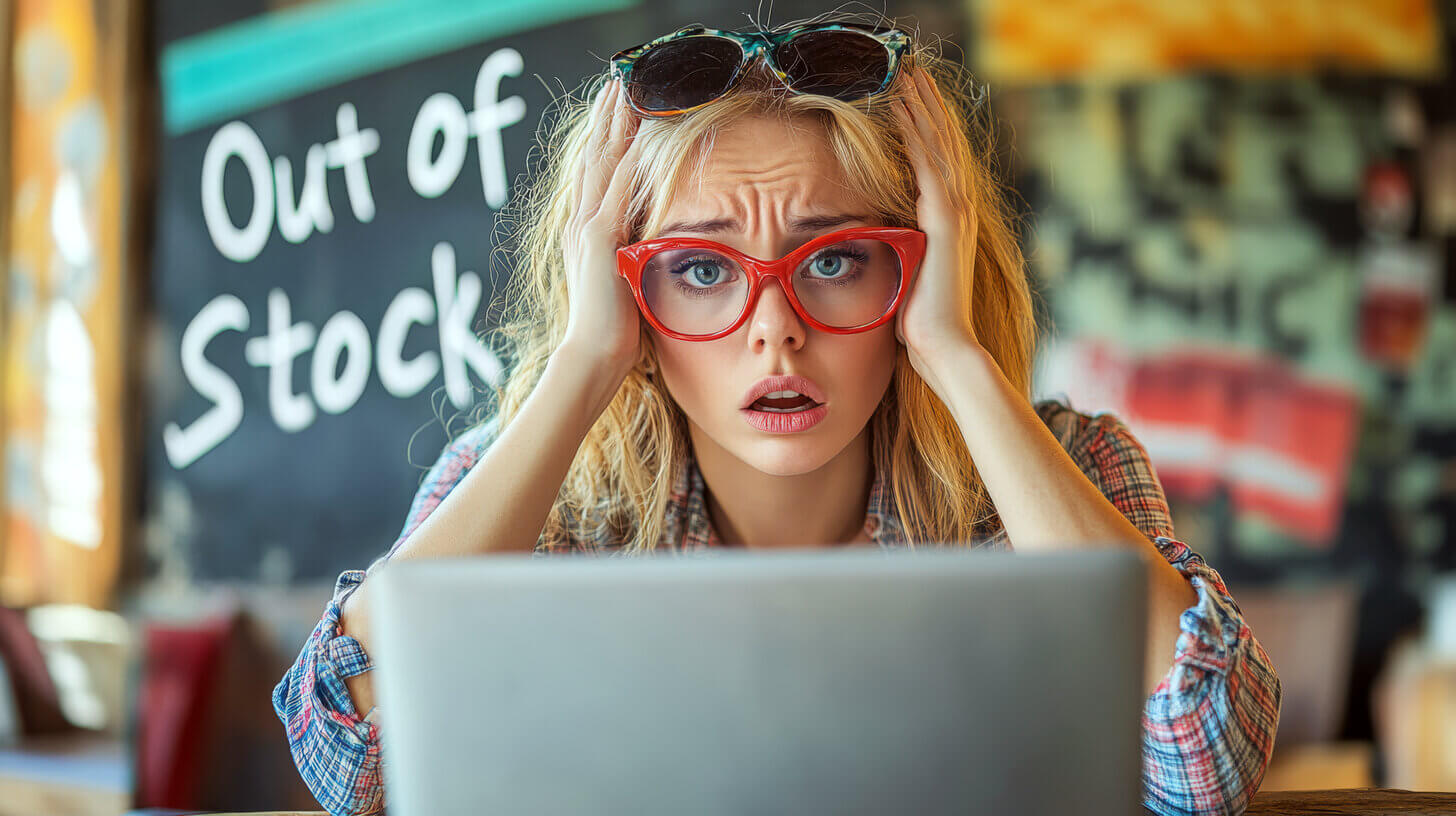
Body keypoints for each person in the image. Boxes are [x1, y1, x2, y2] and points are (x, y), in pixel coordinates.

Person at [274, 18, 1280, 816]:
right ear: (623, 293)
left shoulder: (1068, 465)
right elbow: (346, 767)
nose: (774, 333)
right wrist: (584, 362)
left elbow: (1205, 772)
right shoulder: (528, 492)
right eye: (701, 270)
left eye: (835, 260)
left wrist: (956, 355)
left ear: (919, 263)